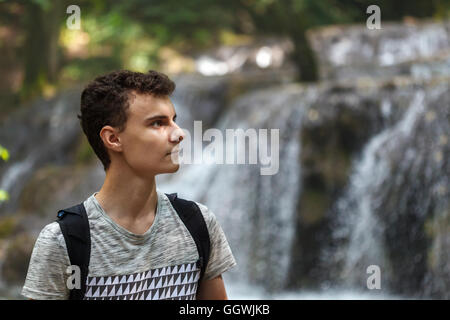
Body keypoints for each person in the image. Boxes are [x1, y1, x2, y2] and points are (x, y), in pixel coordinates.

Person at [21, 70, 236, 300]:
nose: (178, 133)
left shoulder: (198, 224)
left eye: (174, 120)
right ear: (113, 139)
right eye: (157, 123)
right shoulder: (63, 242)